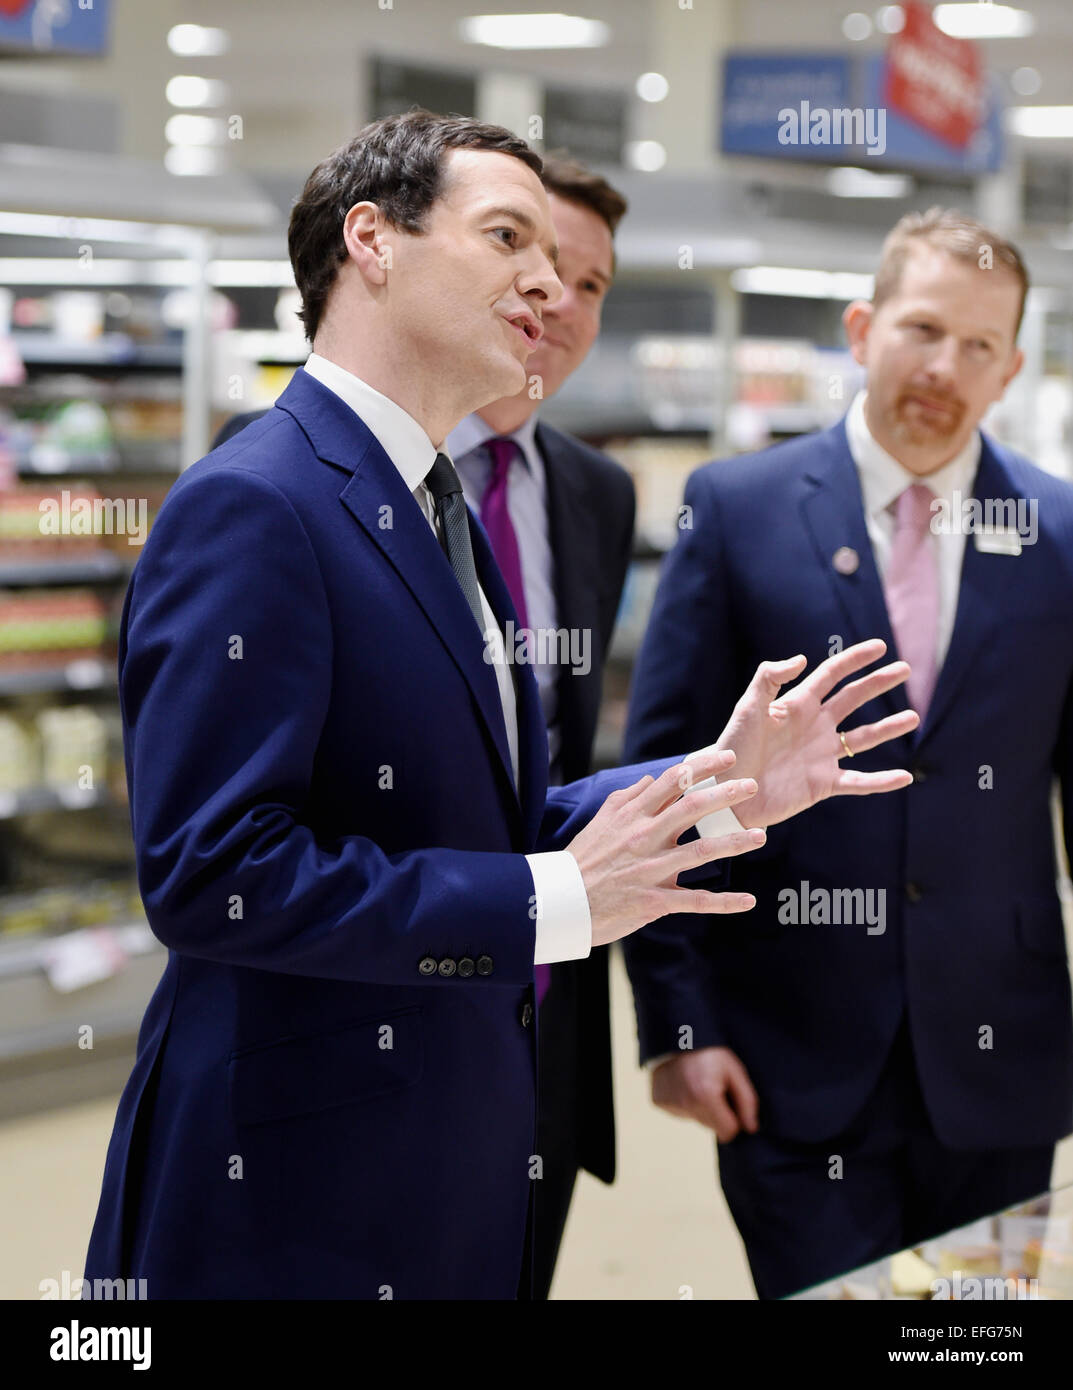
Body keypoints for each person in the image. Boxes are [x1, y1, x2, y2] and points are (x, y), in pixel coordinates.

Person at [82, 109, 916, 1300]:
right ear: (371, 242)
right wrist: (553, 901)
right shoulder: (256, 503)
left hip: (442, 1151)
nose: (547, 283)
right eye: (507, 237)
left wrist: (706, 788)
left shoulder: (429, 502)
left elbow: (473, 811)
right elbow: (216, 869)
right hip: (291, 1183)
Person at [624, 207, 1073, 1299]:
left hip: (994, 1056)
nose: (944, 367)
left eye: (977, 345)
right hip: (787, 1054)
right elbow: (669, 777)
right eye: (921, 329)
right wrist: (676, 1021)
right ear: (861, 327)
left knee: (971, 1333)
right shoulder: (735, 511)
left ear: (1012, 365)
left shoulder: (1060, 533)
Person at [445, 155, 631, 1299]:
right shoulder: (321, 476)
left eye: (593, 283)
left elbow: (552, 760)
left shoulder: (594, 493)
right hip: (385, 993)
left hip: (551, 1006)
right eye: (535, 259)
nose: (560, 300)